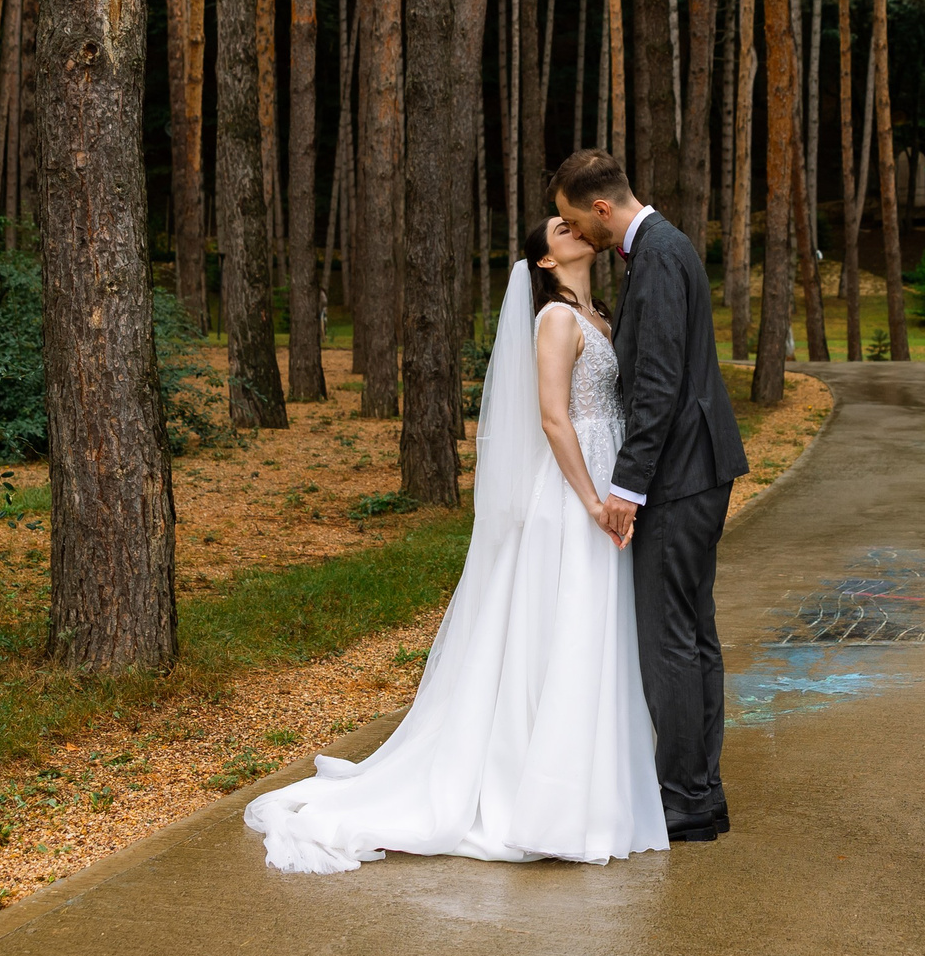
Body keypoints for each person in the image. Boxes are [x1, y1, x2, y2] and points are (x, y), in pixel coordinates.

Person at [244, 214, 668, 872]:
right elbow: (554, 417)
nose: (576, 229)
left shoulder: (600, 313)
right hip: (570, 492)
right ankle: (550, 802)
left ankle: (597, 790)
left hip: (608, 475)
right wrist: (589, 497)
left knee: (596, 633)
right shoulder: (555, 318)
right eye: (561, 228)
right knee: (568, 629)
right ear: (547, 261)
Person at [550, 148, 749, 844]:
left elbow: (658, 384)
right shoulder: (666, 248)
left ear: (603, 208)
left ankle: (686, 800)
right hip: (700, 468)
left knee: (672, 640)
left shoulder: (658, 256)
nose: (581, 232)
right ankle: (702, 793)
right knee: (694, 635)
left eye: (579, 219)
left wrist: (626, 490)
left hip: (679, 474)